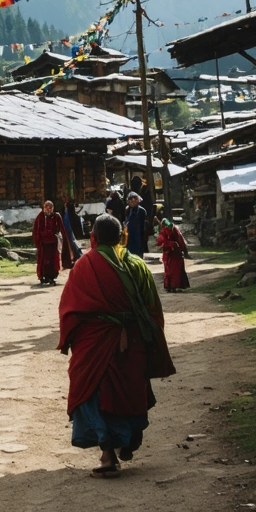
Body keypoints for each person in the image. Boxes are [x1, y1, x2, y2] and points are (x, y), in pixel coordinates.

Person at [58, 213, 176, 477]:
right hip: (133, 342)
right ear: (123, 236)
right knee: (129, 390)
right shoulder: (137, 265)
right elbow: (153, 310)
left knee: (92, 392)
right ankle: (128, 439)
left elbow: (69, 309)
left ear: (93, 238)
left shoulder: (84, 265)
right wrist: (150, 339)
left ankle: (108, 455)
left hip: (95, 342)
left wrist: (72, 338)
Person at [32, 199, 73, 285]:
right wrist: (38, 241)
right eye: (47, 208)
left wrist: (63, 241)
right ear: (43, 208)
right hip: (43, 244)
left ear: (53, 208)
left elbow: (62, 229)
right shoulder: (40, 217)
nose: (48, 210)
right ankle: (43, 277)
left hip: (53, 243)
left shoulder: (56, 216)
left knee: (53, 261)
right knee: (43, 261)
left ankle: (52, 277)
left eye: (50, 208)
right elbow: (36, 230)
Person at [156, 218, 190, 292]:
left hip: (170, 253)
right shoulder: (174, 230)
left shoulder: (164, 231)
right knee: (175, 270)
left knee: (169, 270)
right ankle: (174, 286)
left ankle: (170, 287)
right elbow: (180, 240)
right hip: (175, 252)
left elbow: (160, 242)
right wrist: (184, 250)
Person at [124, 192, 147, 258]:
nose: (133, 202)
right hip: (129, 232)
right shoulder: (127, 209)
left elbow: (144, 224)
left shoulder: (142, 210)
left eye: (135, 199)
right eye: (130, 200)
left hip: (138, 232)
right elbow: (126, 220)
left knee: (138, 250)